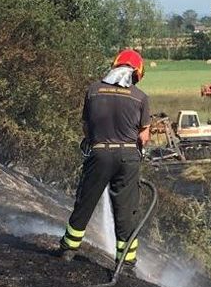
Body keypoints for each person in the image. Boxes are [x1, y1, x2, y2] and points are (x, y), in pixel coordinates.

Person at [59, 49, 151, 271]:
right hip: (129, 158)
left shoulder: (93, 90)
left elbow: (86, 126)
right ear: (137, 73)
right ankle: (126, 263)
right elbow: (143, 136)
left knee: (86, 200)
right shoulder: (140, 98)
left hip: (99, 153)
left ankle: (69, 249)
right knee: (125, 209)